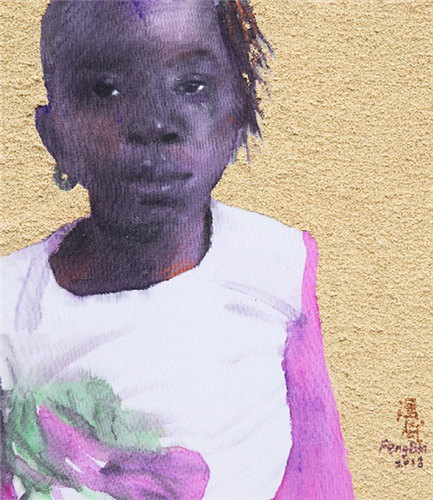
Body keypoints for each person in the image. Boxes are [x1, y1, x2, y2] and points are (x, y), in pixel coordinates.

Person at [0, 1, 354, 498]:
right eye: (105, 89)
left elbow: (320, 475)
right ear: (55, 135)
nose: (154, 123)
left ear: (238, 113)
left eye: (192, 86)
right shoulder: (12, 307)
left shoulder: (275, 263)